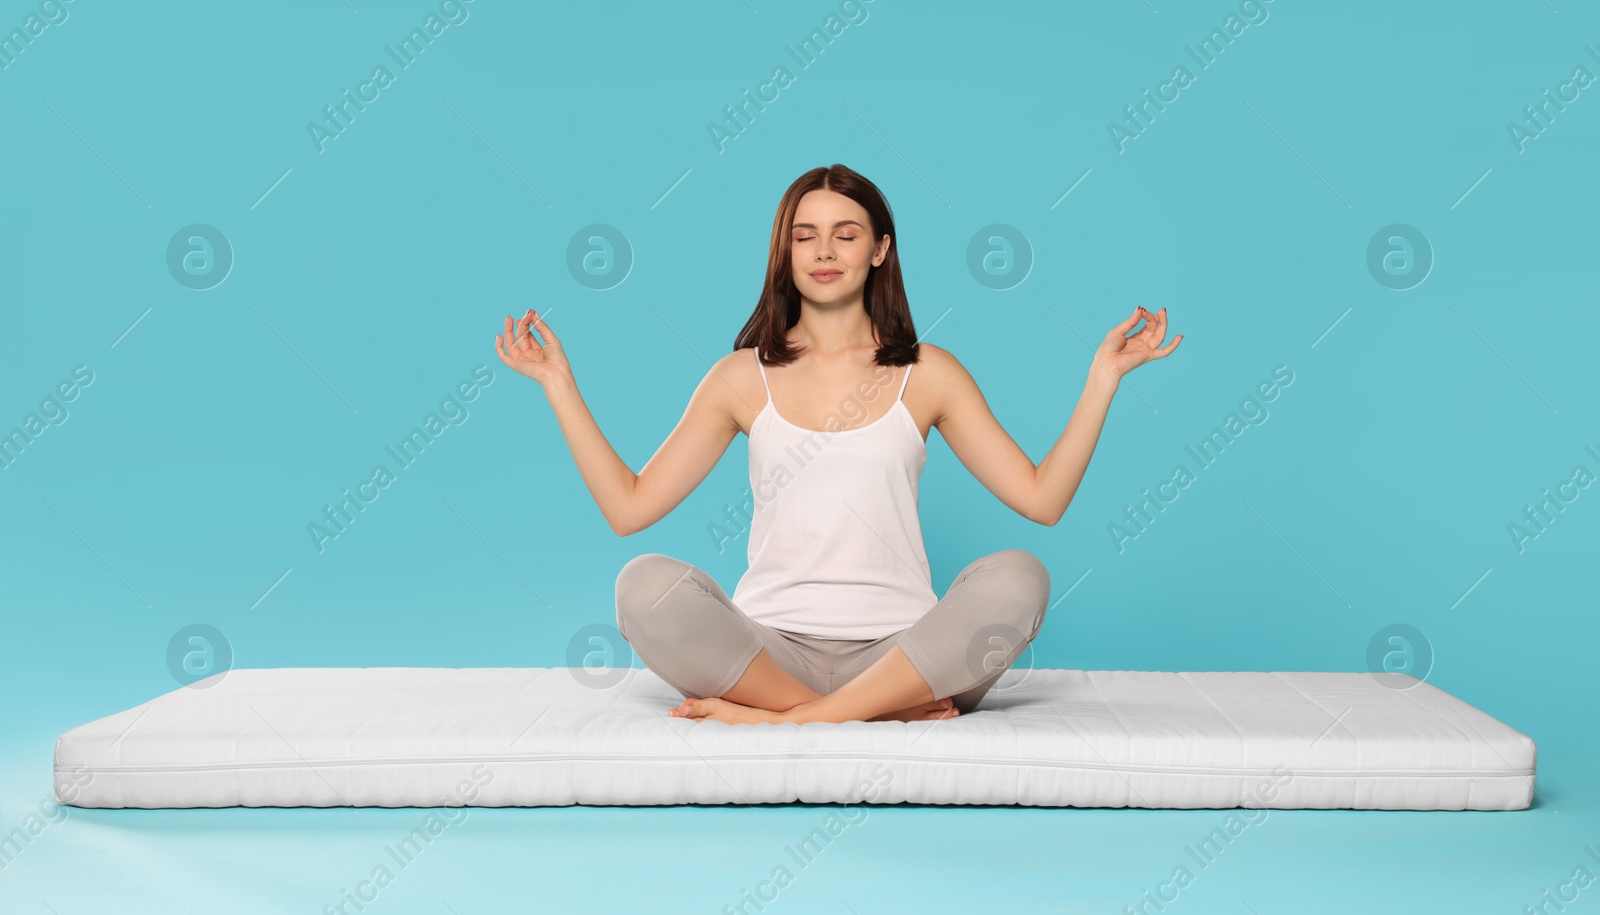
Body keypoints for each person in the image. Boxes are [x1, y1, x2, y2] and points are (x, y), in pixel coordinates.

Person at [493, 164, 1181, 726]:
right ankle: (859, 713)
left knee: (1020, 576)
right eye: (805, 236)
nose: (824, 252)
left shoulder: (928, 373)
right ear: (784, 253)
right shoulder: (740, 377)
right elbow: (628, 507)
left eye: (846, 234)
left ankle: (790, 721)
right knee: (642, 585)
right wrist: (558, 382)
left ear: (880, 249)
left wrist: (1103, 377)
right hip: (768, 654)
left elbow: (1042, 498)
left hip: (906, 655)